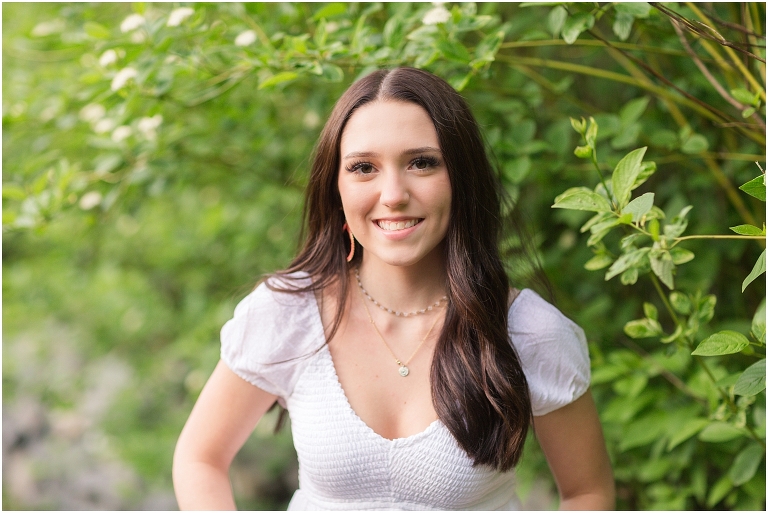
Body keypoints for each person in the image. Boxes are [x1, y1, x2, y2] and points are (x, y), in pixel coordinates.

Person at [172, 67, 615, 510]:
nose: (393, 194)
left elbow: (586, 492)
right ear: (336, 187)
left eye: (421, 162)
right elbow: (200, 458)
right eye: (364, 168)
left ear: (462, 179)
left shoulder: (529, 332)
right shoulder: (287, 313)